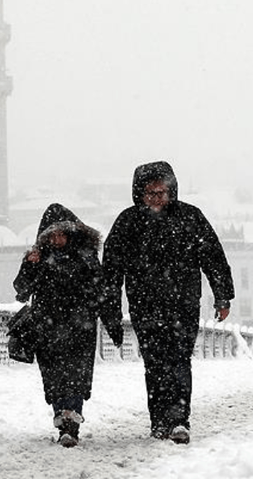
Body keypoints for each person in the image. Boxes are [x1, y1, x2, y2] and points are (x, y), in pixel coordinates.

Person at [102, 161, 234, 444]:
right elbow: (111, 270)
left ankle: (178, 419)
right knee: (155, 363)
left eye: (162, 192)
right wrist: (110, 308)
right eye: (151, 193)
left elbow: (213, 257)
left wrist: (223, 295)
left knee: (178, 360)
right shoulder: (128, 222)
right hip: (144, 305)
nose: (157, 198)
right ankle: (159, 420)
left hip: (183, 304)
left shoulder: (190, 217)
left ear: (171, 191)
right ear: (140, 193)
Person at [13, 203, 123, 448]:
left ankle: (70, 425)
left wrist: (112, 323)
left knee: (75, 377)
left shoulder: (86, 257)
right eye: (52, 234)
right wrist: (30, 265)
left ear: (72, 233)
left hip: (79, 329)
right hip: (47, 329)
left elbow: (102, 293)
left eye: (62, 233)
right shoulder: (39, 258)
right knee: (54, 379)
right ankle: (62, 420)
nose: (58, 239)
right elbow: (21, 291)